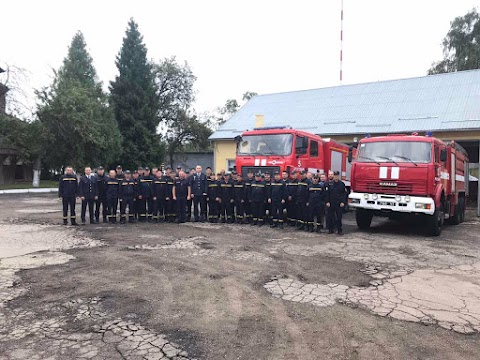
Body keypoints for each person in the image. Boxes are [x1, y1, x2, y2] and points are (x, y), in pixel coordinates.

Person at [326, 170, 347, 235]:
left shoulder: (342, 184)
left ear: (338, 176)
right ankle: (330, 229)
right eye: (335, 176)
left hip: (339, 203)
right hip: (331, 203)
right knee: (330, 217)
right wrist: (327, 202)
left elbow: (344, 194)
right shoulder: (330, 184)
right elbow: (327, 194)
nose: (336, 177)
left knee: (339, 217)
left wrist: (343, 202)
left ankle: (339, 230)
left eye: (337, 176)